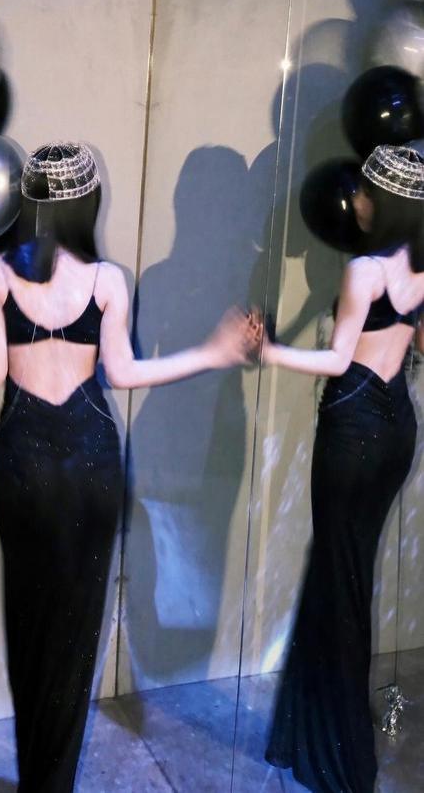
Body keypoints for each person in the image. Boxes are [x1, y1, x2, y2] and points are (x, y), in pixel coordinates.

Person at [0, 141, 259, 793]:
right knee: (76, 628)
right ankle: (55, 781)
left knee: (29, 619)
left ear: (29, 207)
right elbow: (123, 373)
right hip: (90, 460)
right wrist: (213, 353)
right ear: (88, 206)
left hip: (24, 460)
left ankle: (35, 778)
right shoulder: (107, 280)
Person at [261, 144, 424, 793]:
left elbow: (338, 359)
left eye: (363, 192)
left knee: (339, 579)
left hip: (354, 427)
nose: (354, 200)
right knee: (343, 577)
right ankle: (310, 738)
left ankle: (342, 756)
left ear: (383, 203)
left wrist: (270, 350)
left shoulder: (365, 269)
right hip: (396, 428)